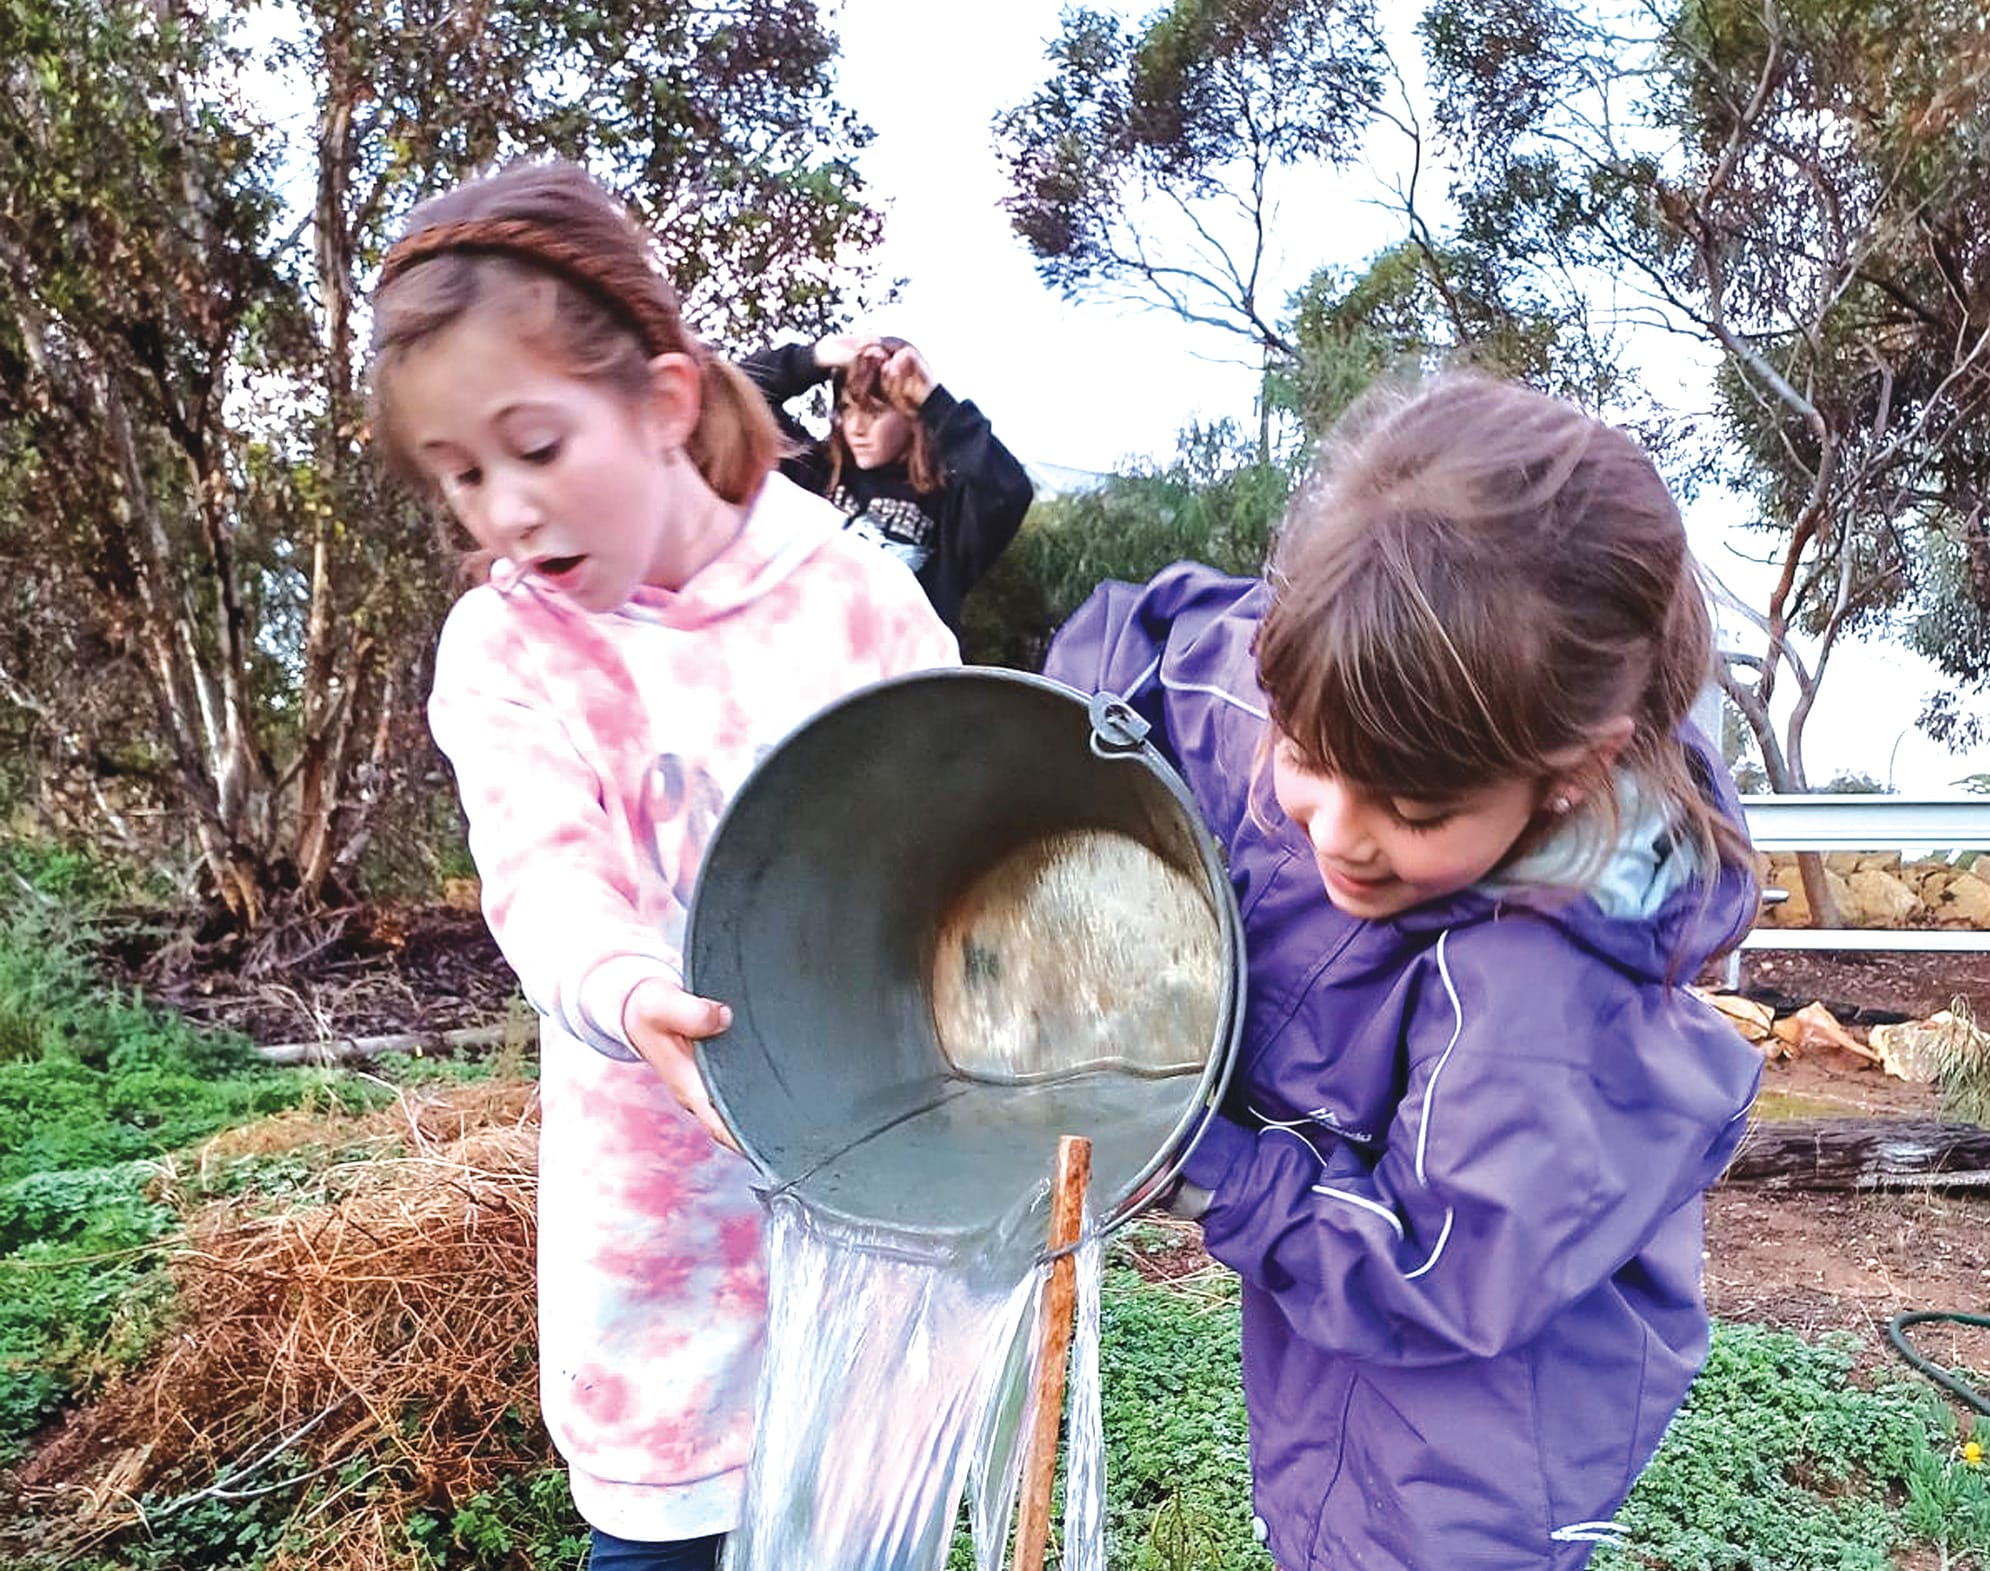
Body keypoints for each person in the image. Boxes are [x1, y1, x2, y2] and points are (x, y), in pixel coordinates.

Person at [1042, 373, 1764, 1570]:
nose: (1337, 832)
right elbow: (1143, 646)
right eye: (1306, 762)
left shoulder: (1547, 990)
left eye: (1416, 809)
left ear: (1569, 772)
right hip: (1325, 1266)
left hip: (1486, 1386)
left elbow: (1437, 1268)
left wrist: (1200, 1163)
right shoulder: (1296, 679)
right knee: (1311, 1500)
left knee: (1388, 1539)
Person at [368, 161, 958, 1571]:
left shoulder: (850, 592)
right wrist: (634, 992)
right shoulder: (511, 651)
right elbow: (541, 875)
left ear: (666, 400)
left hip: (886, 1251)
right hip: (664, 1286)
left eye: (535, 445)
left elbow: (963, 825)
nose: (504, 508)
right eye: (460, 477)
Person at [740, 333, 1033, 635]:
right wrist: (815, 356)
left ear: (912, 415)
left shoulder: (949, 505)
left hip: (903, 674)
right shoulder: (814, 472)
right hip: (806, 658)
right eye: (845, 409)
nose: (856, 427)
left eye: (874, 412)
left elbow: (1008, 489)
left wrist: (934, 400)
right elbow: (735, 395)